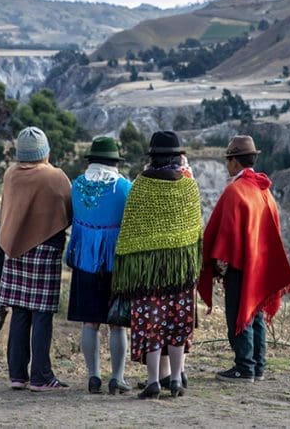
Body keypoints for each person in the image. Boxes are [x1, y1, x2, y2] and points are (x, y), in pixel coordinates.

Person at [198, 135, 290, 383]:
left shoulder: (236, 191)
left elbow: (224, 232)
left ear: (234, 162)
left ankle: (244, 367)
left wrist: (218, 261)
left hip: (241, 264)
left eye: (227, 160)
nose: (226, 165)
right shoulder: (263, 190)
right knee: (257, 314)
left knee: (240, 314)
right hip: (261, 263)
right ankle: (257, 366)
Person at [112, 130, 202, 399]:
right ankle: (175, 380)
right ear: (177, 156)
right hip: (180, 272)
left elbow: (128, 232)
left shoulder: (140, 185)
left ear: (152, 157)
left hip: (147, 273)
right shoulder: (188, 186)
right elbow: (196, 231)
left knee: (151, 324)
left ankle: (153, 381)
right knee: (177, 325)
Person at [0, 126, 73, 392]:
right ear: (45, 152)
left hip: (15, 249)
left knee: (19, 310)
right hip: (46, 250)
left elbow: (4, 211)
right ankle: (41, 376)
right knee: (42, 314)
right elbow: (69, 211)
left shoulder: (10, 175)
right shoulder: (55, 177)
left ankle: (17, 375)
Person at [65, 136, 133, 395]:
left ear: (92, 161)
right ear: (114, 162)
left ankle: (93, 376)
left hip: (84, 260)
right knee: (117, 323)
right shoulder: (124, 187)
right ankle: (117, 377)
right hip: (115, 262)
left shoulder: (77, 186)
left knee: (89, 323)